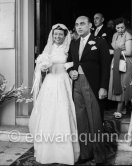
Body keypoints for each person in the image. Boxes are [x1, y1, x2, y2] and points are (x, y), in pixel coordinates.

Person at [28, 24, 80, 165]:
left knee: (63, 111)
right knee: (48, 113)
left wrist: (68, 66)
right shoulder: (48, 48)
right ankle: (48, 151)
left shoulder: (70, 47)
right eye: (55, 34)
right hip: (50, 82)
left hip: (63, 81)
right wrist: (43, 66)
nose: (57, 37)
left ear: (65, 35)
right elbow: (42, 66)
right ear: (52, 35)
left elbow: (76, 62)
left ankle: (64, 152)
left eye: (60, 34)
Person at [67, 16, 111, 164]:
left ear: (90, 25)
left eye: (82, 24)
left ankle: (99, 156)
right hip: (77, 84)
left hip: (92, 84)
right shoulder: (74, 43)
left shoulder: (100, 42)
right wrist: (71, 71)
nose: (79, 27)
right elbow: (72, 63)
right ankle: (85, 153)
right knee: (81, 120)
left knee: (95, 120)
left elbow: (106, 66)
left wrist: (104, 86)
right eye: (77, 24)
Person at [108, 17, 132, 119]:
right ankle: (124, 108)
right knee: (116, 83)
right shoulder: (115, 35)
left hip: (126, 62)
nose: (120, 30)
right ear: (115, 27)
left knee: (124, 85)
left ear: (125, 26)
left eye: (122, 27)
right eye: (118, 28)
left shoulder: (128, 36)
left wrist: (114, 52)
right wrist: (117, 52)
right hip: (117, 60)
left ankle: (119, 110)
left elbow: (128, 52)